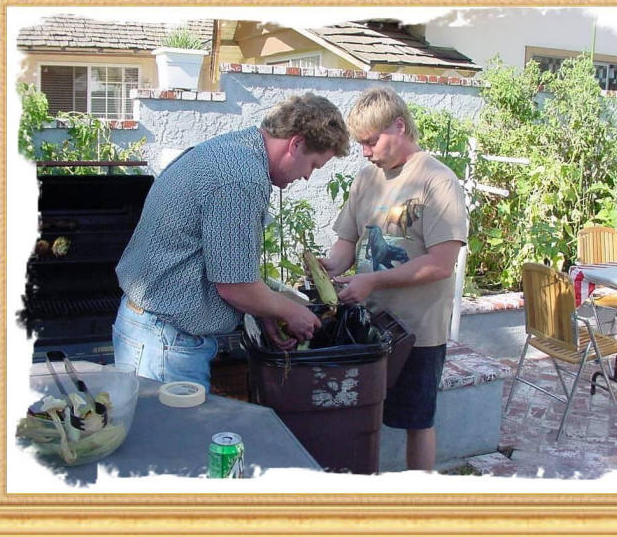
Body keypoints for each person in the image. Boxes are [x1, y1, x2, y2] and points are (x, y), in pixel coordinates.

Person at [113, 93, 349, 390]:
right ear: (296, 143)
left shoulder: (234, 152)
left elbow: (229, 267)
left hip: (151, 331)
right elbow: (235, 286)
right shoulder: (241, 178)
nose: (306, 177)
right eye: (313, 165)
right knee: (177, 435)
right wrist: (290, 310)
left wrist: (265, 313)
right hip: (164, 343)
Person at [319, 87, 467, 471]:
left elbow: (441, 264)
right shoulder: (366, 179)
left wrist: (373, 282)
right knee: (364, 414)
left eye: (371, 141)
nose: (365, 151)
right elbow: (347, 241)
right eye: (361, 143)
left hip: (417, 331)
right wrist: (330, 267)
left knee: (417, 421)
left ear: (399, 126)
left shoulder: (438, 181)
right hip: (367, 325)